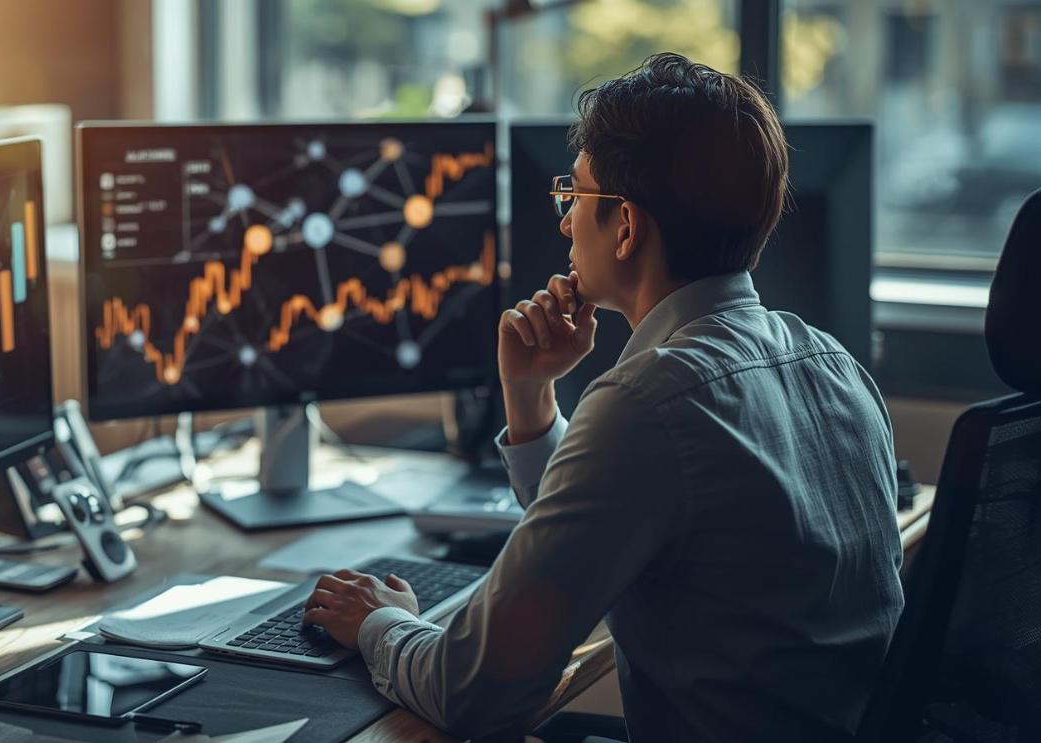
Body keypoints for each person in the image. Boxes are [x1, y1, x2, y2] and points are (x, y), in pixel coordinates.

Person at [302, 53, 904, 742]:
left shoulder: (650, 403)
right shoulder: (835, 364)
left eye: (576, 196)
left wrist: (378, 620)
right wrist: (530, 400)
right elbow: (594, 536)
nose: (563, 223)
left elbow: (471, 693)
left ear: (625, 225)